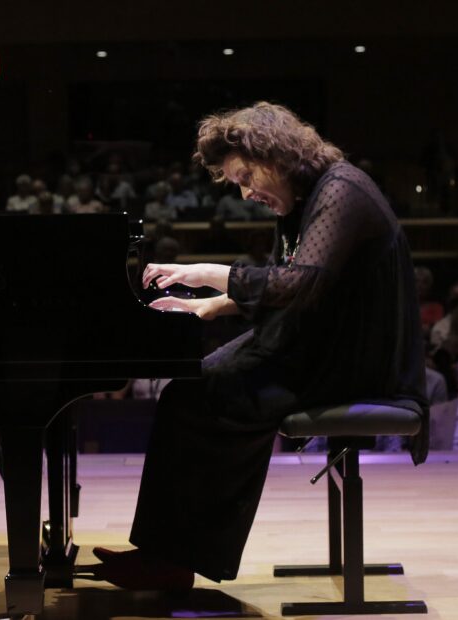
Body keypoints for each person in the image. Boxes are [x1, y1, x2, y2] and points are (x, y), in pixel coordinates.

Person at [91, 102, 427, 590]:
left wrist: (208, 274)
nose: (247, 193)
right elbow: (288, 286)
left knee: (202, 396)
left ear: (276, 155)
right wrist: (211, 306)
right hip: (321, 347)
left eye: (247, 177)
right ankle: (163, 552)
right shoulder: (305, 194)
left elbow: (297, 286)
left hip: (355, 362)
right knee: (189, 387)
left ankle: (173, 560)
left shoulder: (341, 190)